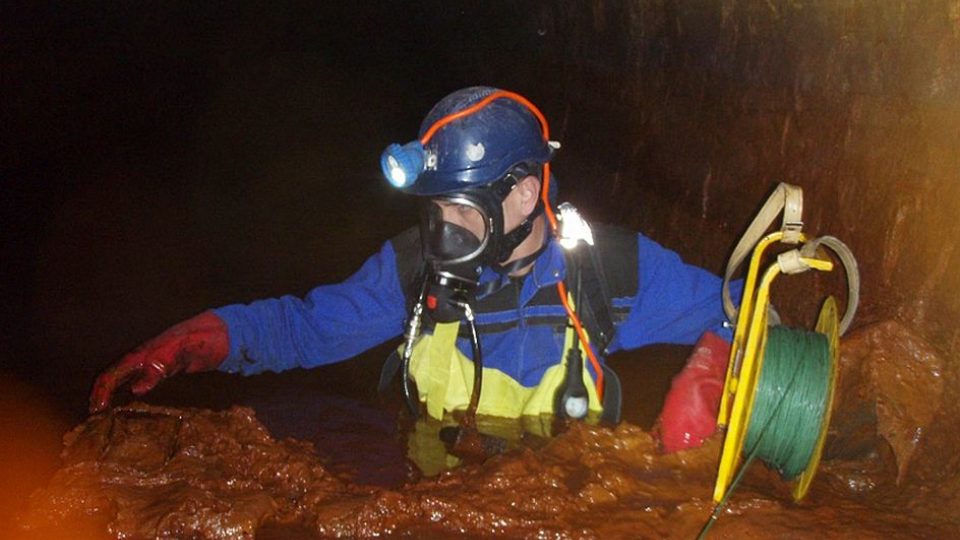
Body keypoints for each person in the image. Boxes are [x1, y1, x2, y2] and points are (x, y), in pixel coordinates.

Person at [89, 86, 737, 453]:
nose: (439, 232)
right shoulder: (414, 267)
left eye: (458, 210)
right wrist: (202, 342)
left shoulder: (611, 272)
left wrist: (711, 372)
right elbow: (308, 330)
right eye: (434, 210)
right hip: (432, 501)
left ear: (520, 192)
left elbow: (747, 309)